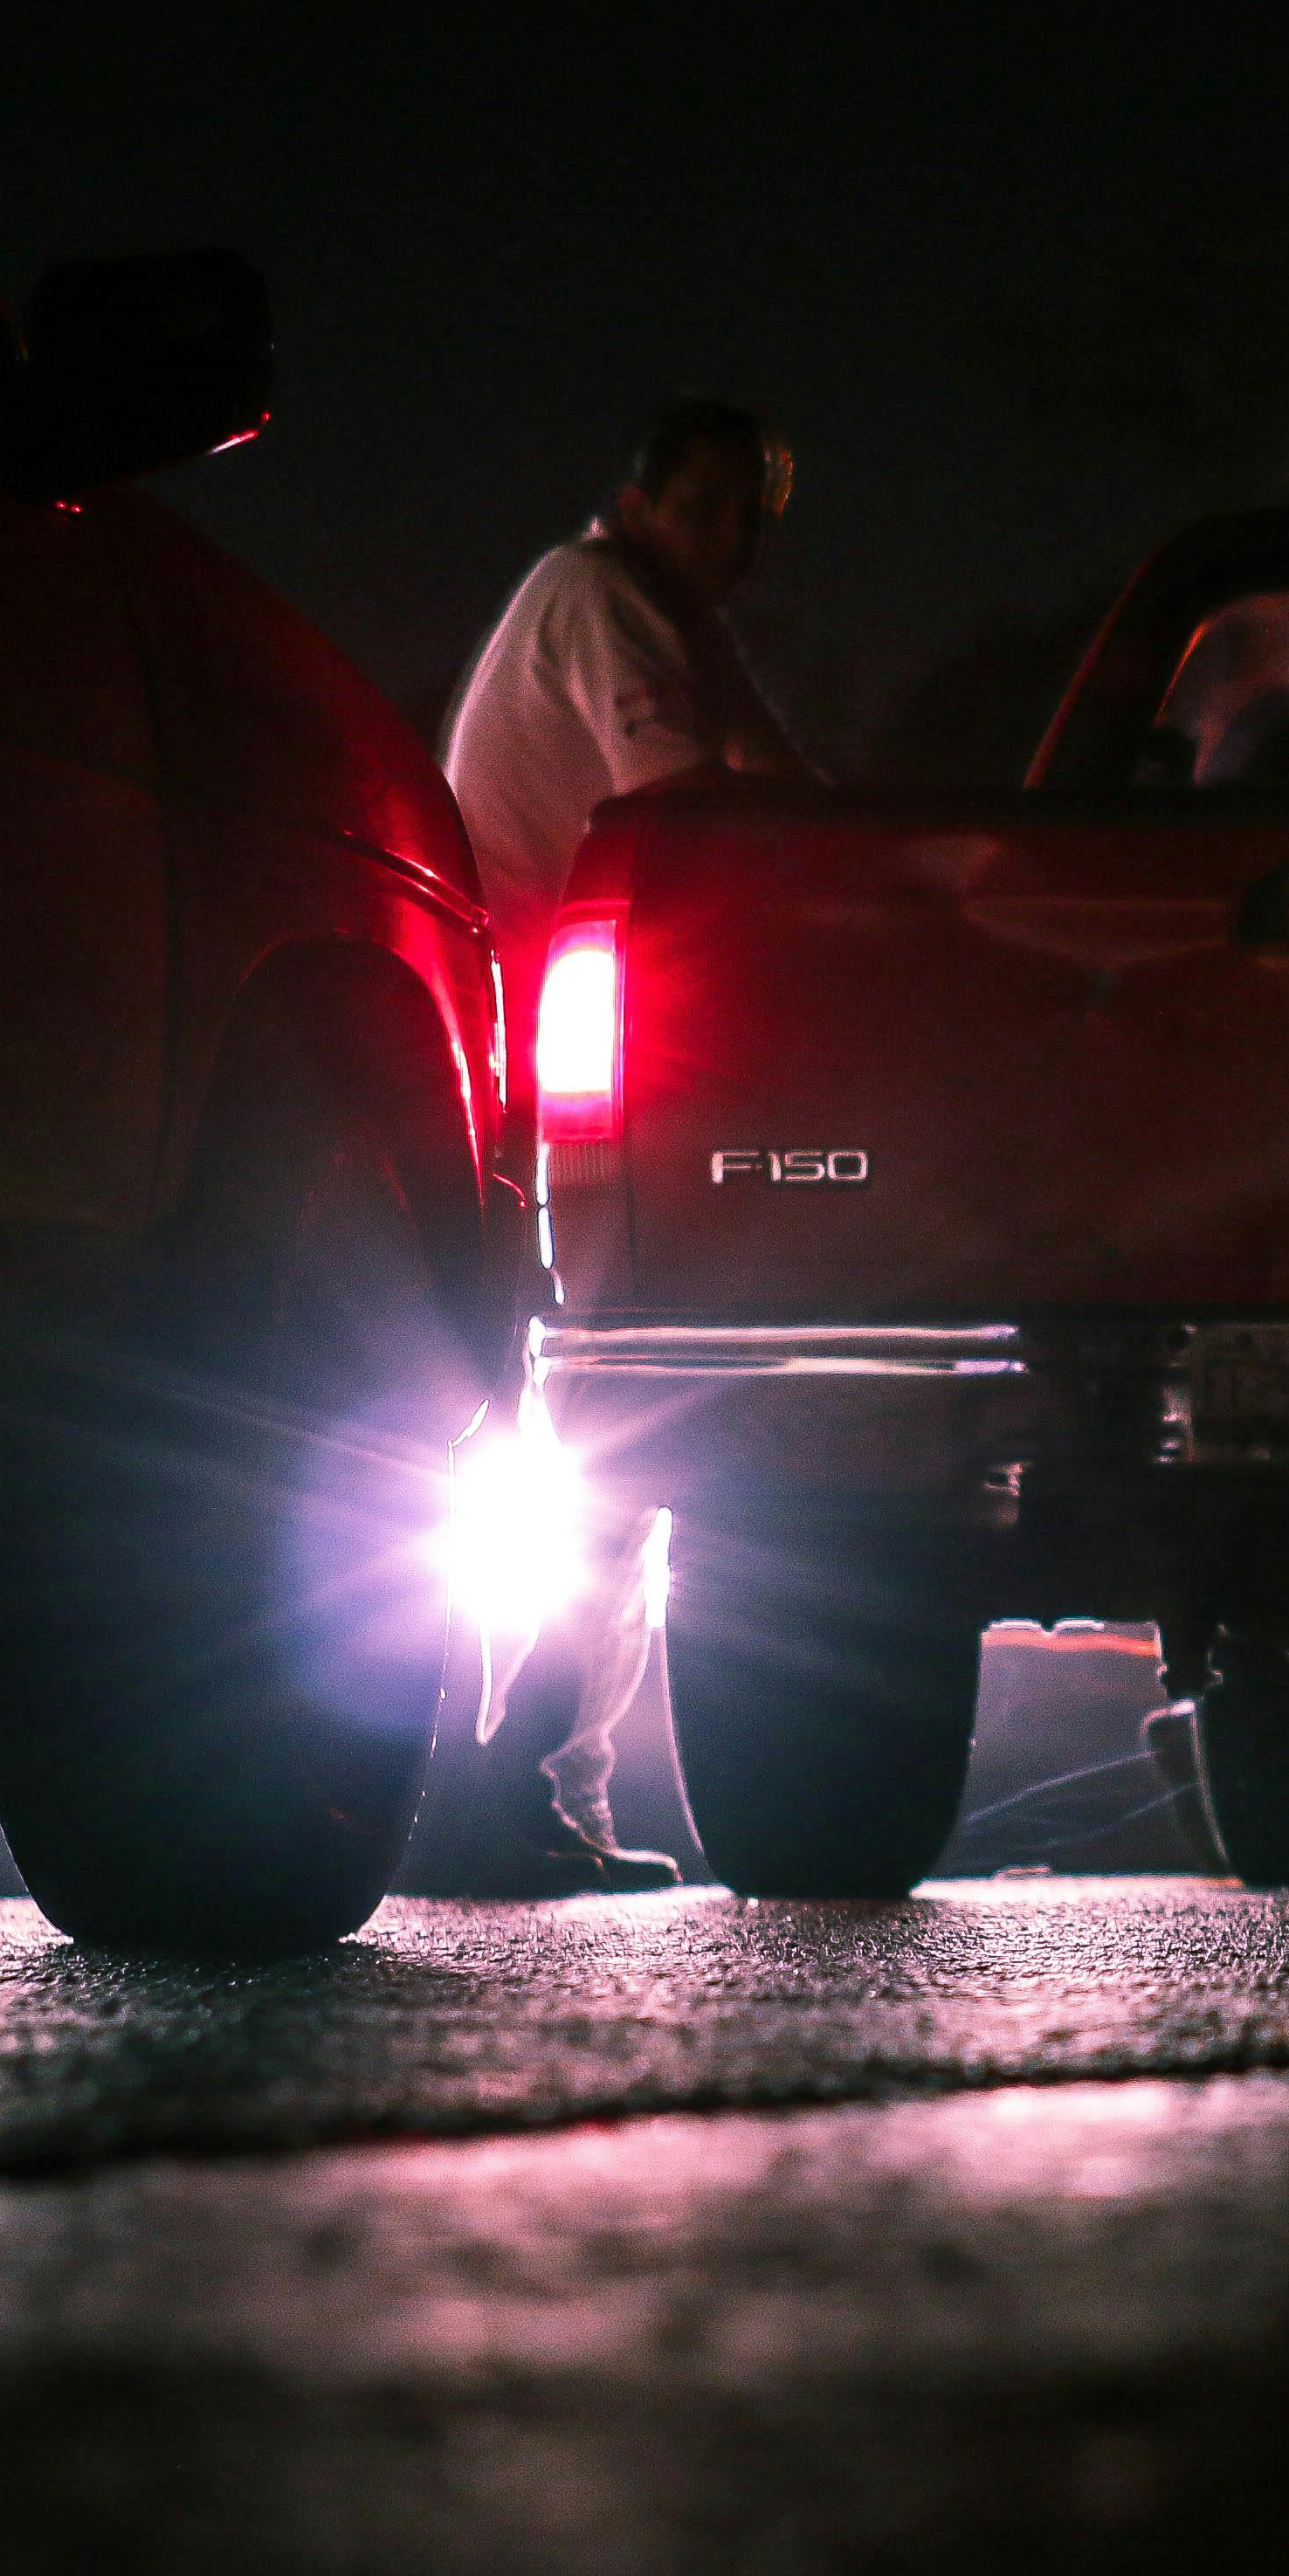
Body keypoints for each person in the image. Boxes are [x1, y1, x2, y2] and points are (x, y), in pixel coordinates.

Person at [431, 397, 817, 1892]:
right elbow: (696, 809)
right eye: (710, 508)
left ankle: (532, 1791)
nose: (735, 543)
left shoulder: (664, 620)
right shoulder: (598, 601)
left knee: (615, 1425)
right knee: (616, 1421)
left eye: (752, 520)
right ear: (640, 497)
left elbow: (783, 783)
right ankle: (513, 1785)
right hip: (549, 1082)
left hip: (576, 1077)